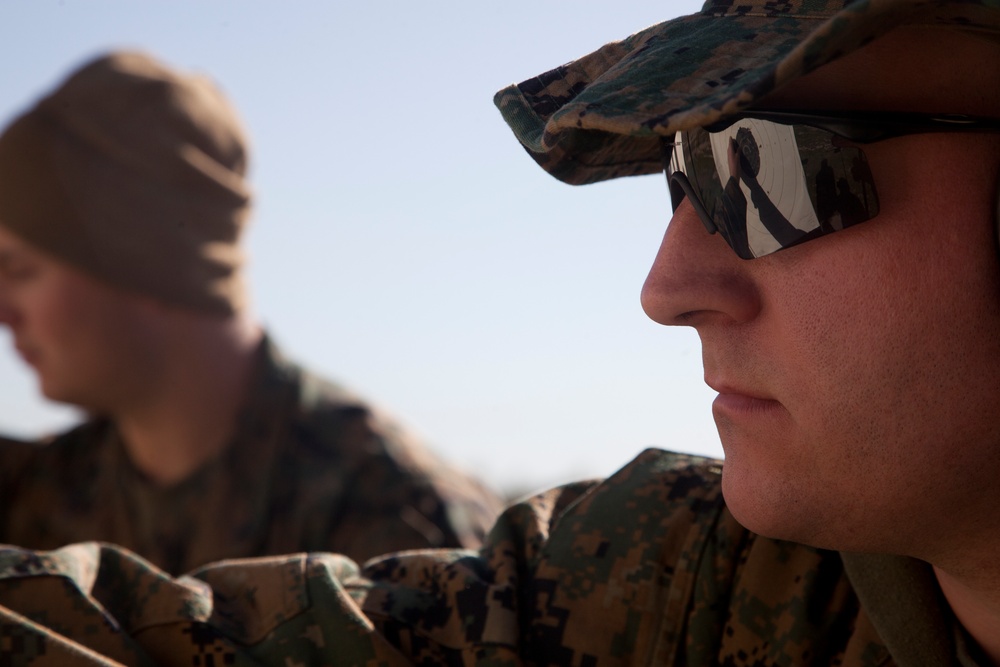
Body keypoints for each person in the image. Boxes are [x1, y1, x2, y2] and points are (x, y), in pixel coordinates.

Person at [1, 0, 999, 664]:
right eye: (683, 175)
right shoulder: (693, 586)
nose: (668, 286)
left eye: (768, 170)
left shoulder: (381, 491)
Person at [0, 51, 503, 575]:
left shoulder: (405, 526)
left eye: (20, 270)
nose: (2, 312)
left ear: (147, 263)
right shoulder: (33, 495)